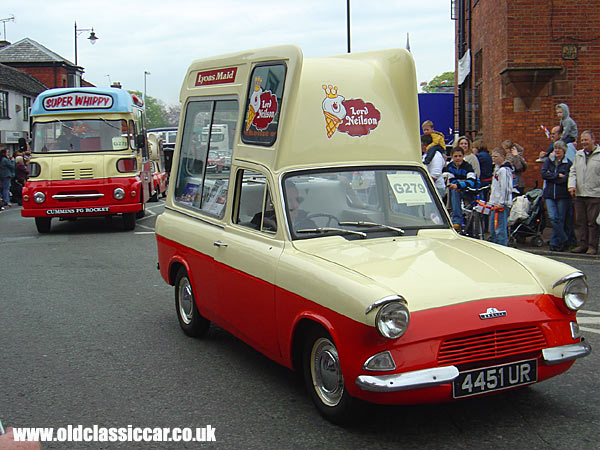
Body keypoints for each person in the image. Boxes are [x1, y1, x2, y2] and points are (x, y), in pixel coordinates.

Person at [568, 130, 600, 254]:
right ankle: (582, 245)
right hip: (580, 194)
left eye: (586, 140)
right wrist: (571, 186)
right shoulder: (578, 155)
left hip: (595, 194)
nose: (584, 142)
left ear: (593, 140)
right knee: (580, 221)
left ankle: (592, 247)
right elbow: (573, 171)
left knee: (592, 223)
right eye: (582, 140)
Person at [541, 141, 572, 251]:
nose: (557, 151)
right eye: (555, 149)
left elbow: (566, 179)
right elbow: (544, 174)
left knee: (560, 219)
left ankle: (555, 243)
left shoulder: (568, 163)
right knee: (553, 218)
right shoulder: (549, 161)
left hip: (562, 195)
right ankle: (564, 239)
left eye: (559, 149)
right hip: (549, 195)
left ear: (564, 151)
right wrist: (557, 176)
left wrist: (552, 177)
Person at [443, 147, 477, 230]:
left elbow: (472, 180)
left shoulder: (467, 166)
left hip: (468, 190)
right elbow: (451, 179)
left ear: (463, 156)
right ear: (451, 157)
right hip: (456, 189)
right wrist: (456, 186)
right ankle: (456, 221)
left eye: (460, 156)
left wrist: (459, 185)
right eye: (455, 156)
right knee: (454, 192)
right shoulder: (449, 167)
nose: (458, 158)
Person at [488, 147, 514, 246]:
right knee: (493, 229)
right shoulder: (497, 169)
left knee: (500, 230)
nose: (493, 159)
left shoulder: (504, 170)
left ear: (503, 157)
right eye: (492, 156)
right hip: (494, 204)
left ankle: (502, 247)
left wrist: (502, 203)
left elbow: (506, 188)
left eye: (496, 156)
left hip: (501, 205)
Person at [421, 134, 446, 199]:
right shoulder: (425, 155)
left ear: (424, 145)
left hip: (436, 189)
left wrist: (424, 185)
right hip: (428, 188)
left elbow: (436, 174)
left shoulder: (436, 155)